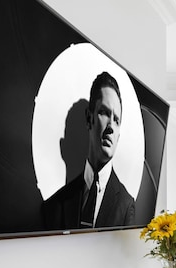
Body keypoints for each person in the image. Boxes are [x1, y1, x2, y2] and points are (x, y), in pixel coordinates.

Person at [43, 71, 135, 229]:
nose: (111, 127)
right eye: (104, 113)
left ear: (119, 135)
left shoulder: (126, 206)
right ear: (89, 118)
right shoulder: (55, 205)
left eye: (117, 120)